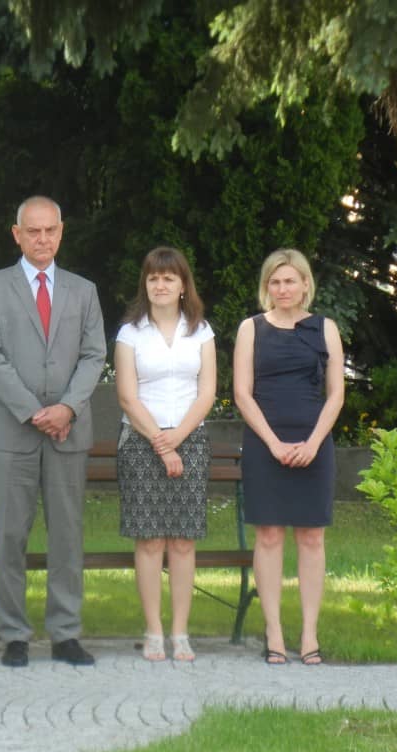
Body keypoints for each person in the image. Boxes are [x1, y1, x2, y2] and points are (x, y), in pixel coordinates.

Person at [0, 195, 106, 668]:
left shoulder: (83, 290)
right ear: (17, 234)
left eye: (50, 230)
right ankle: (14, 635)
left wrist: (66, 408)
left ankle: (65, 633)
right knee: (9, 536)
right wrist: (35, 412)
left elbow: (94, 354)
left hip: (69, 431)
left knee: (67, 536)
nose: (42, 239)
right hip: (10, 431)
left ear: (61, 232)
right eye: (33, 231)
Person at [232, 248, 344, 665]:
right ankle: (274, 632)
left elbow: (336, 394)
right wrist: (273, 443)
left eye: (290, 281)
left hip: (314, 442)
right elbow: (242, 393)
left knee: (312, 537)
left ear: (304, 284)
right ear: (267, 287)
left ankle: (310, 633)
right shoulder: (251, 328)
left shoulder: (325, 328)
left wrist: (313, 442)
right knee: (269, 536)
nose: (282, 289)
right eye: (275, 282)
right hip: (265, 444)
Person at [114, 246, 217, 662]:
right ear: (146, 284)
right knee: (151, 540)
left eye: (168, 278)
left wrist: (178, 438)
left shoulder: (201, 331)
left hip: (190, 439)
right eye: (153, 278)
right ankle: (154, 631)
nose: (160, 285)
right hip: (141, 442)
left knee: (183, 542)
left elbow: (207, 392)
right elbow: (127, 396)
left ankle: (180, 633)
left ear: (182, 285)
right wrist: (161, 441)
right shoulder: (130, 333)